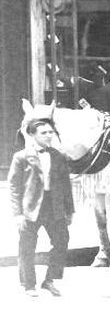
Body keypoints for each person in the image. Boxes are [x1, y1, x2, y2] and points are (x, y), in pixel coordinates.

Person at [8, 119, 74, 297]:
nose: (48, 136)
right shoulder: (21, 157)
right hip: (30, 208)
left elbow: (66, 185)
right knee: (27, 246)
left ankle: (50, 279)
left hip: (54, 206)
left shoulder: (58, 156)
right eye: (44, 133)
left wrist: (70, 210)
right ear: (32, 135)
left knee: (62, 241)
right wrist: (17, 214)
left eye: (51, 132)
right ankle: (29, 285)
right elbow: (14, 187)